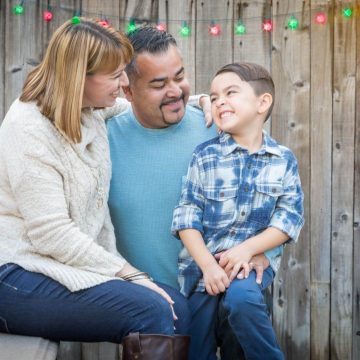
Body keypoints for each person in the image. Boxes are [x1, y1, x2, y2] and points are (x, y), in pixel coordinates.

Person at [0, 18, 191, 359]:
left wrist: (206, 100)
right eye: (116, 75)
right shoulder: (28, 128)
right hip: (15, 273)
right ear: (79, 77)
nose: (124, 83)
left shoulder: (88, 108)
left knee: (174, 304)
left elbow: (136, 103)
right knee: (151, 310)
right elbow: (51, 234)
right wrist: (131, 274)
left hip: (56, 265)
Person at [107, 27, 274, 359]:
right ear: (127, 89)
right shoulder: (103, 139)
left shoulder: (218, 125)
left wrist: (265, 252)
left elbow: (268, 195)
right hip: (155, 309)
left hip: (228, 286)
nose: (174, 91)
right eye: (158, 84)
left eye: (179, 77)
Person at [171, 62, 304, 360]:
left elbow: (288, 219)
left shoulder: (282, 160)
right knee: (196, 345)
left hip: (251, 266)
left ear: (263, 102)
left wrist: (247, 250)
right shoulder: (205, 157)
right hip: (204, 271)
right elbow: (186, 217)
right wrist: (208, 266)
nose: (220, 102)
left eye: (230, 92)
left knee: (243, 303)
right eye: (215, 97)